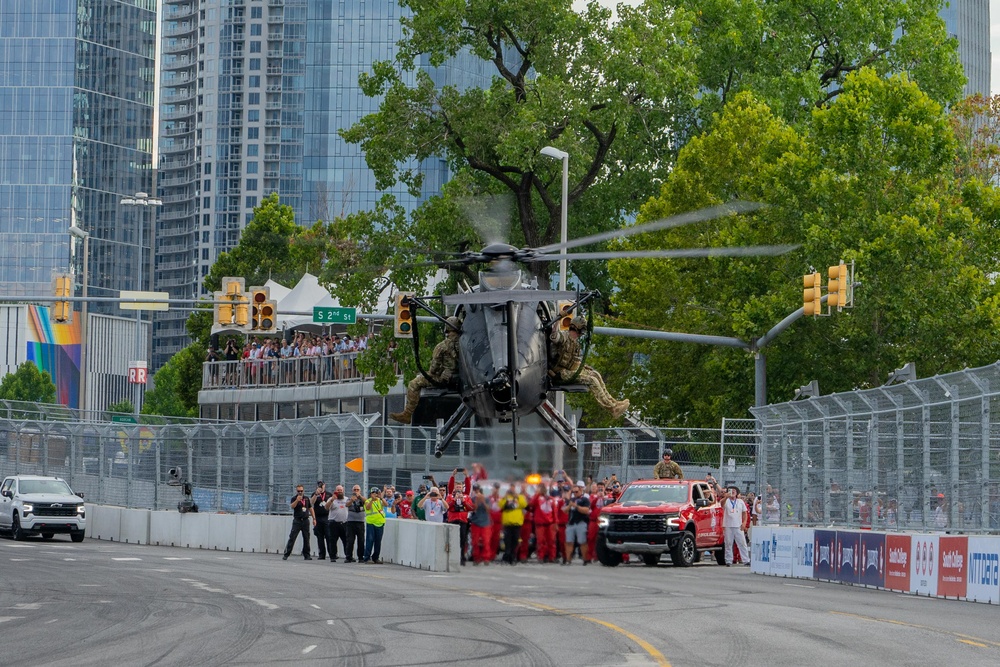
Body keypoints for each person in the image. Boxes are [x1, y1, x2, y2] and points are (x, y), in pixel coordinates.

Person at [548, 316, 629, 418]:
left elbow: (573, 360)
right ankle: (612, 408)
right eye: (582, 330)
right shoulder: (564, 337)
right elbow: (554, 336)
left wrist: (584, 367)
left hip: (570, 369)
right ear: (576, 328)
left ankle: (614, 402)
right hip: (560, 373)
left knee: (595, 374)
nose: (582, 333)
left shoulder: (575, 343)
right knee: (591, 380)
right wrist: (558, 318)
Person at [389, 316, 461, 423]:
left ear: (447, 328)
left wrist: (432, 372)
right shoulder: (464, 343)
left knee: (414, 383)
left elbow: (433, 369)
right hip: (461, 378)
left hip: (445, 380)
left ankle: (407, 414)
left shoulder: (442, 346)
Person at [282, 485, 314, 561]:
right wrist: (297, 500)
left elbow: (310, 508)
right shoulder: (294, 498)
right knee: (292, 537)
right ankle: (287, 554)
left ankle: (307, 555)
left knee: (306, 538)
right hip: (297, 520)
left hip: (305, 520)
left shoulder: (306, 499)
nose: (300, 492)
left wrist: (314, 518)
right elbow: (292, 506)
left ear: (303, 491)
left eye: (301, 491)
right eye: (298, 491)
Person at [563, 481, 591, 565]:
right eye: (573, 492)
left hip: (581, 522)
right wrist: (569, 506)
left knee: (582, 542)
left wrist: (577, 507)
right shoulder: (571, 500)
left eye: (576, 492)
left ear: (580, 491)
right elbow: (565, 511)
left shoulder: (584, 499)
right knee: (568, 541)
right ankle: (568, 559)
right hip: (571, 523)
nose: (575, 493)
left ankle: (585, 559)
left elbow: (586, 510)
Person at [723, 486, 751, 566]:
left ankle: (746, 560)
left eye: (734, 491)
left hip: (738, 525)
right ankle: (728, 560)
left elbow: (744, 513)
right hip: (728, 525)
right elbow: (721, 504)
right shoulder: (726, 501)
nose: (733, 492)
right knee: (728, 543)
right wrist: (725, 497)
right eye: (731, 491)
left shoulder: (740, 501)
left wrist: (744, 523)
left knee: (742, 543)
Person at [500, 485, 528, 565]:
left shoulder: (520, 497)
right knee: (507, 541)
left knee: (515, 541)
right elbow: (500, 505)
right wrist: (505, 497)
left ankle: (512, 556)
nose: (512, 490)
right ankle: (507, 556)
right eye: (511, 488)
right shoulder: (506, 498)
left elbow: (524, 505)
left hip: (516, 523)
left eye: (513, 488)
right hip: (508, 523)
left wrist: (517, 497)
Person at [531, 483, 558, 564]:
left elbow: (554, 512)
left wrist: (556, 522)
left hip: (550, 524)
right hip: (540, 524)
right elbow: (531, 504)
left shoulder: (551, 499)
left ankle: (551, 557)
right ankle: (541, 556)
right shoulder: (537, 499)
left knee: (551, 541)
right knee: (540, 541)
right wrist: (537, 494)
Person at [325, 484, 349, 562]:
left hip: (344, 523)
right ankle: (333, 556)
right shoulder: (331, 499)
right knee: (332, 540)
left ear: (343, 491)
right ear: (335, 491)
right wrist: (332, 500)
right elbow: (326, 507)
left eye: (341, 490)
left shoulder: (346, 499)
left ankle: (348, 556)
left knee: (346, 540)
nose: (339, 492)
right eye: (338, 490)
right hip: (334, 523)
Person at [469, 486, 492, 565]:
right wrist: (476, 502)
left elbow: (488, 510)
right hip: (475, 522)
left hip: (485, 523)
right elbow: (473, 509)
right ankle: (476, 558)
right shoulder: (473, 499)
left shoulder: (487, 499)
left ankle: (486, 558)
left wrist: (483, 501)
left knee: (486, 541)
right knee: (475, 542)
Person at [363, 487, 386, 564]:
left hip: (380, 523)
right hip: (371, 523)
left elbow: (386, 504)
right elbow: (368, 507)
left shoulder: (380, 501)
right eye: (374, 493)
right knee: (370, 540)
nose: (375, 495)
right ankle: (367, 557)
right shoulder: (368, 501)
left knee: (378, 541)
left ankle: (376, 557)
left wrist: (381, 498)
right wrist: (372, 500)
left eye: (377, 493)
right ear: (371, 494)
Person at [311, 481, 333, 560]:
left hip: (327, 517)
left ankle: (331, 554)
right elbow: (311, 503)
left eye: (322, 485)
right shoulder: (315, 494)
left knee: (328, 536)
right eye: (319, 485)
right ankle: (321, 554)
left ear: (325, 485)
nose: (321, 487)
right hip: (318, 517)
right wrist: (316, 494)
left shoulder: (329, 494)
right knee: (319, 537)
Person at [345, 484, 366, 563]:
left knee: (361, 540)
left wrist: (359, 496)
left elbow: (366, 502)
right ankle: (348, 557)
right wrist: (352, 500)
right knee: (350, 540)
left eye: (357, 490)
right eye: (355, 490)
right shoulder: (349, 499)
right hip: (351, 522)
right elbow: (347, 505)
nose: (356, 491)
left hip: (360, 522)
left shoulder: (362, 499)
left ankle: (361, 557)